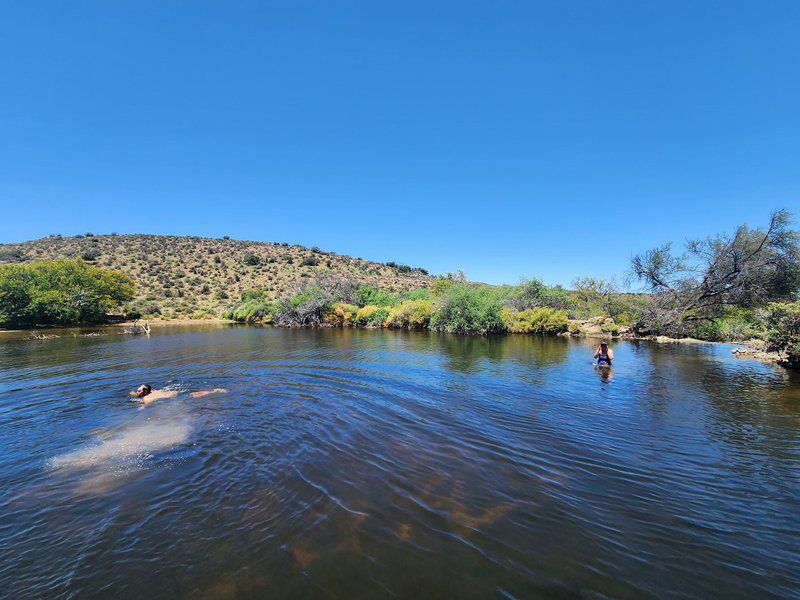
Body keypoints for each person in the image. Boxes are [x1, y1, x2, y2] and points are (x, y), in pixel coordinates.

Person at [131, 384, 228, 406]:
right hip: (176, 392)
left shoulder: (148, 399)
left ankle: (216, 391)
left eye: (139, 390)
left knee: (195, 395)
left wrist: (140, 406)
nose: (137, 391)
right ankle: (215, 390)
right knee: (193, 393)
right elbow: (136, 394)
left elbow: (145, 406)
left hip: (178, 396)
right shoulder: (153, 391)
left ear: (145, 392)